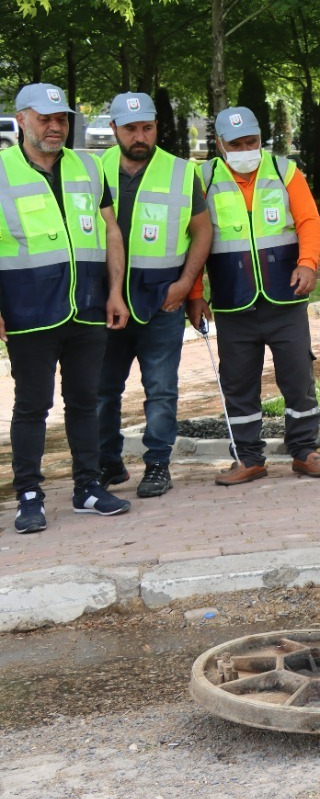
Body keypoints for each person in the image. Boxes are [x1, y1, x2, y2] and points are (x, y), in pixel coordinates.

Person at [6, 83, 131, 534]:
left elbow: (111, 232)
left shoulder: (89, 166)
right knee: (32, 405)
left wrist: (115, 292)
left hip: (87, 308)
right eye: (45, 118)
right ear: (21, 119)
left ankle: (88, 488)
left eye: (61, 119)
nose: (55, 126)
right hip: (28, 311)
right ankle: (29, 496)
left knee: (85, 401)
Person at [185, 107, 320, 485]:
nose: (246, 149)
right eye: (236, 144)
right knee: (237, 382)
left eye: (252, 142)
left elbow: (309, 220)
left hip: (285, 297)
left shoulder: (284, 171)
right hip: (234, 303)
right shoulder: (202, 178)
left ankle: (305, 451)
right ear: (218, 144)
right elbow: (195, 239)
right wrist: (196, 293)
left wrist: (308, 263)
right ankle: (248, 458)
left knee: (298, 378)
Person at [96, 93, 213, 499]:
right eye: (130, 129)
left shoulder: (182, 172)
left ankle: (158, 465)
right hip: (106, 299)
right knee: (101, 388)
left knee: (161, 388)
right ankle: (107, 464)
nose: (140, 136)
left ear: (157, 127)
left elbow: (203, 231)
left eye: (147, 127)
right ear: (114, 129)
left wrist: (186, 283)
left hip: (163, 297)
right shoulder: (92, 170)